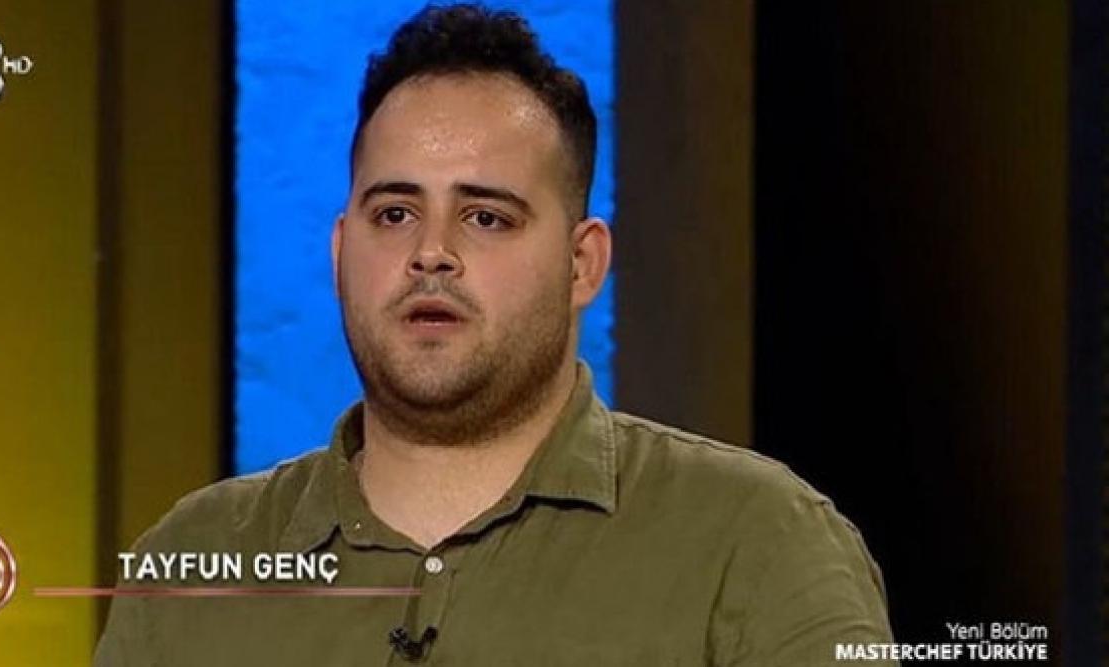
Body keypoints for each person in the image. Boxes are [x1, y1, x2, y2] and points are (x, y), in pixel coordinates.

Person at [95, 4, 893, 665]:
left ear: (583, 264)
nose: (430, 252)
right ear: (340, 252)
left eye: (485, 217)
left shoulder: (755, 543)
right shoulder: (189, 567)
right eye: (394, 213)